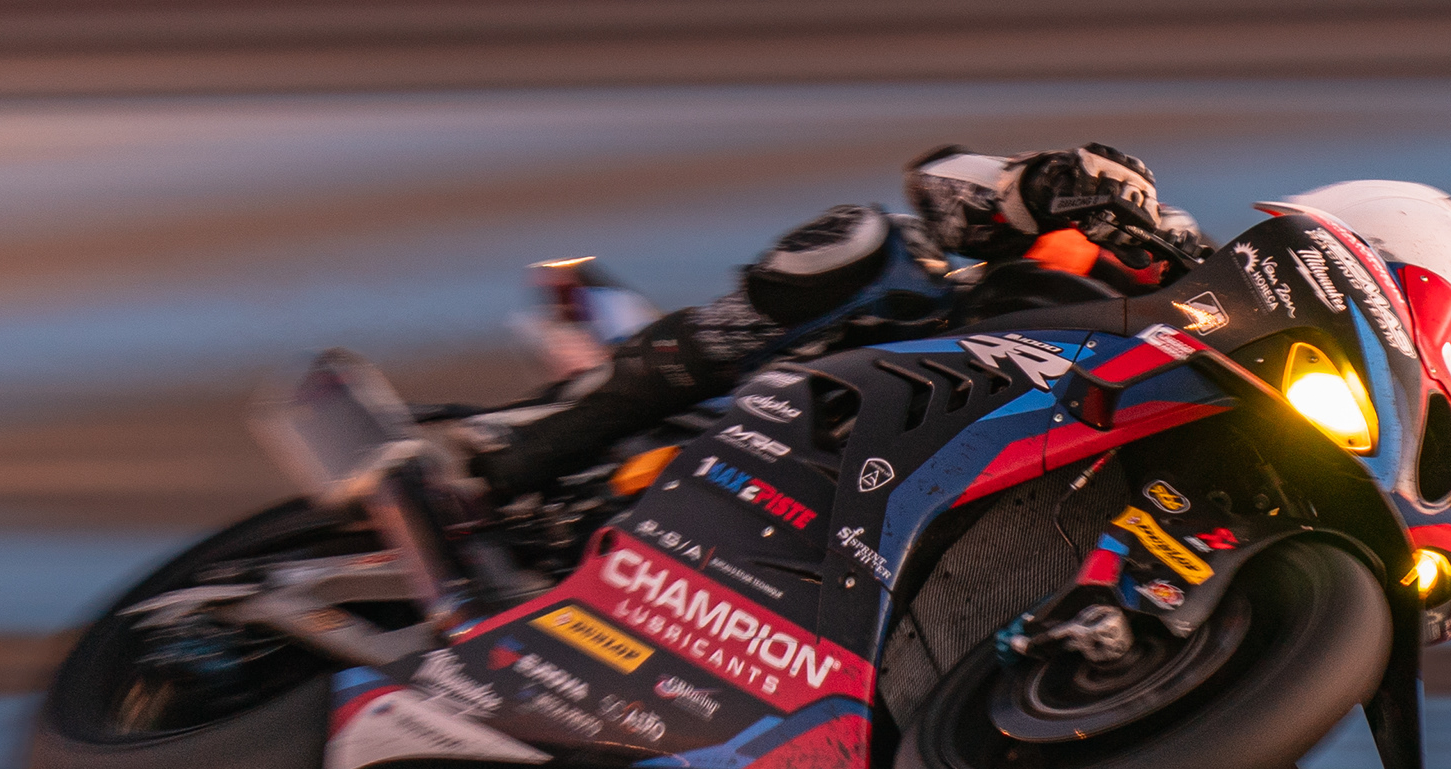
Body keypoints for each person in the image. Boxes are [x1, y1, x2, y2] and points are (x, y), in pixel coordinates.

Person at [454, 142, 1206, 501]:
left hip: (1003, 485)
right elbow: (941, 180)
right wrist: (1037, 187)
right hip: (845, 404)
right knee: (870, 245)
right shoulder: (1130, 232)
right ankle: (522, 447)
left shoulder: (1214, 353)